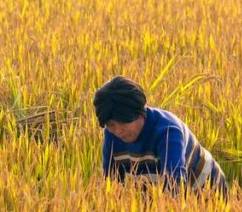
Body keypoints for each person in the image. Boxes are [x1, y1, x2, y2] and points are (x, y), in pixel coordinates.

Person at [93, 75, 227, 193]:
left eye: (122, 123)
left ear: (139, 113)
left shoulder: (168, 131)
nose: (117, 131)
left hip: (206, 194)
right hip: (158, 191)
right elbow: (111, 183)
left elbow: (174, 186)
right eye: (111, 125)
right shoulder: (112, 135)